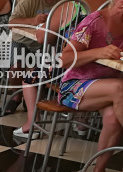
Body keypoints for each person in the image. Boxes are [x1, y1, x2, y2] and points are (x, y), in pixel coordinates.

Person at [58, 0, 123, 172]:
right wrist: (99, 52)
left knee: (113, 118)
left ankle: (98, 171)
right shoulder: (94, 21)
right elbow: (64, 59)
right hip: (74, 87)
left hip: (108, 90)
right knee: (120, 88)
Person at [13, 1, 92, 139]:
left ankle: (32, 124)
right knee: (87, 73)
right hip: (97, 71)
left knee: (29, 79)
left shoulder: (69, 6)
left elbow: (41, 38)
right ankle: (82, 122)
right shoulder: (108, 8)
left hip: (66, 70)